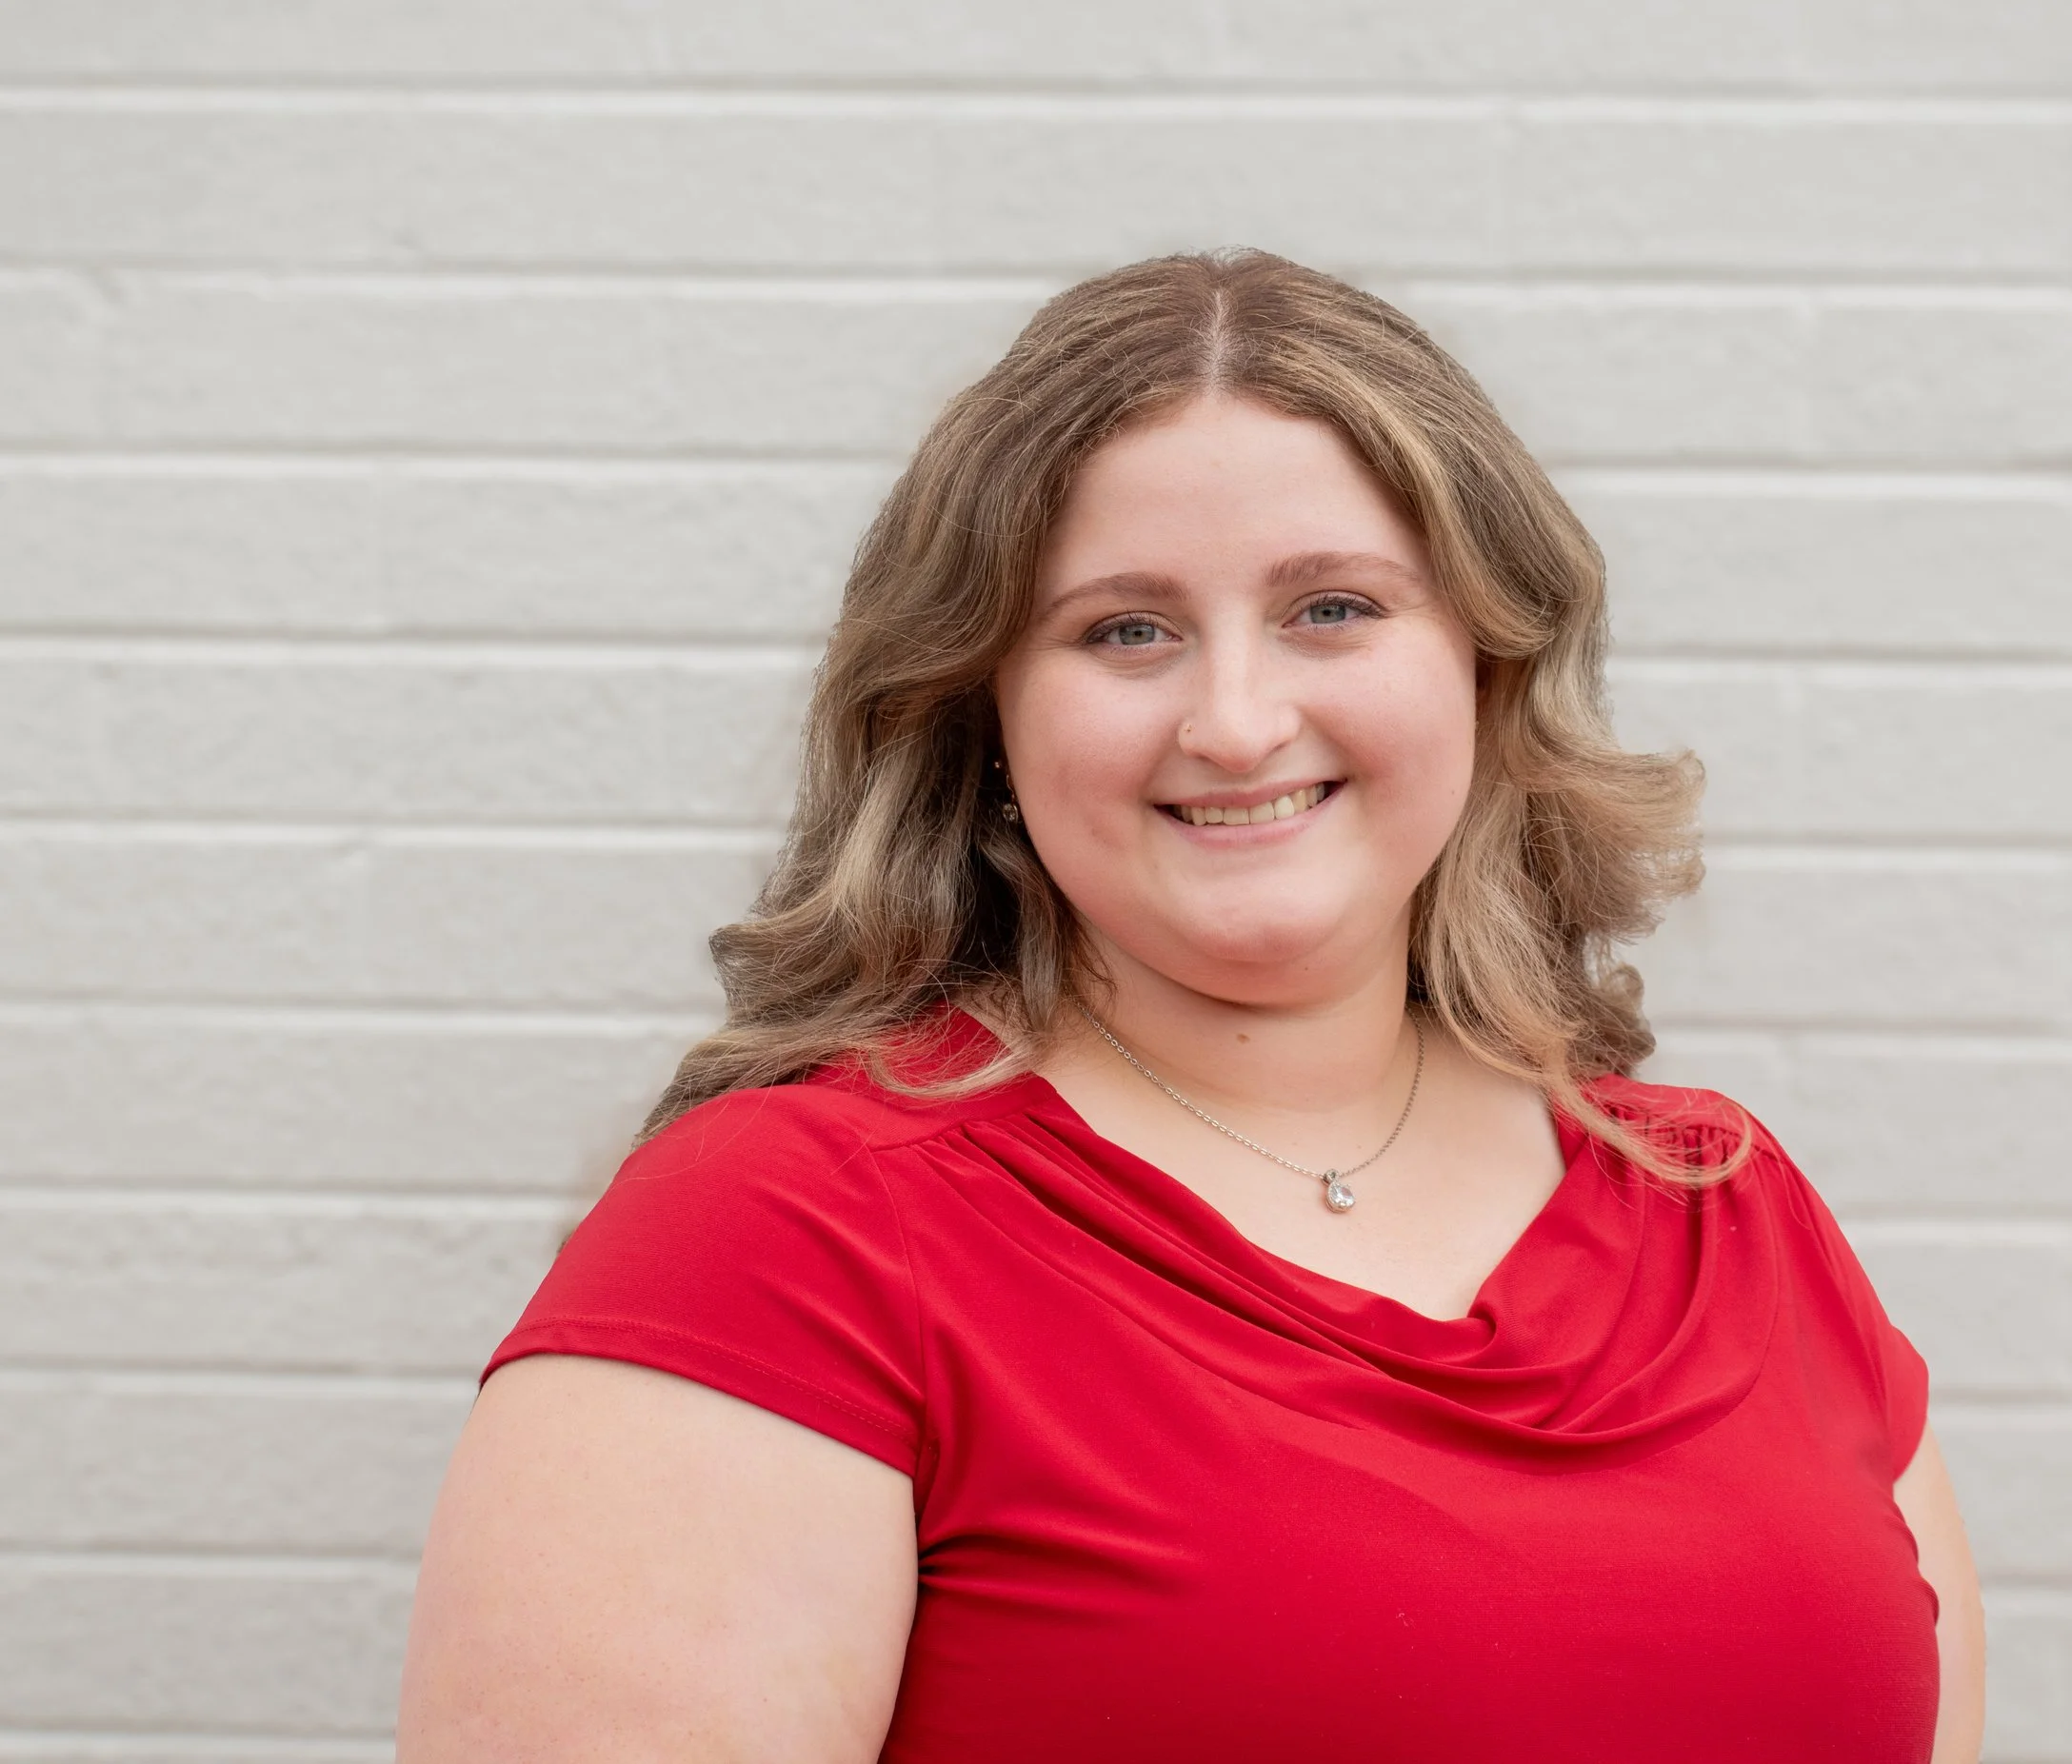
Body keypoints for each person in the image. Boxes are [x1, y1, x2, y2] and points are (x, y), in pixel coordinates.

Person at [396, 248, 1984, 1762]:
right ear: (985, 717)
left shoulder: (1723, 1205)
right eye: (1126, 630)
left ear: (1489, 670)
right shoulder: (786, 1238)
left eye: (1334, 608)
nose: (1235, 720)